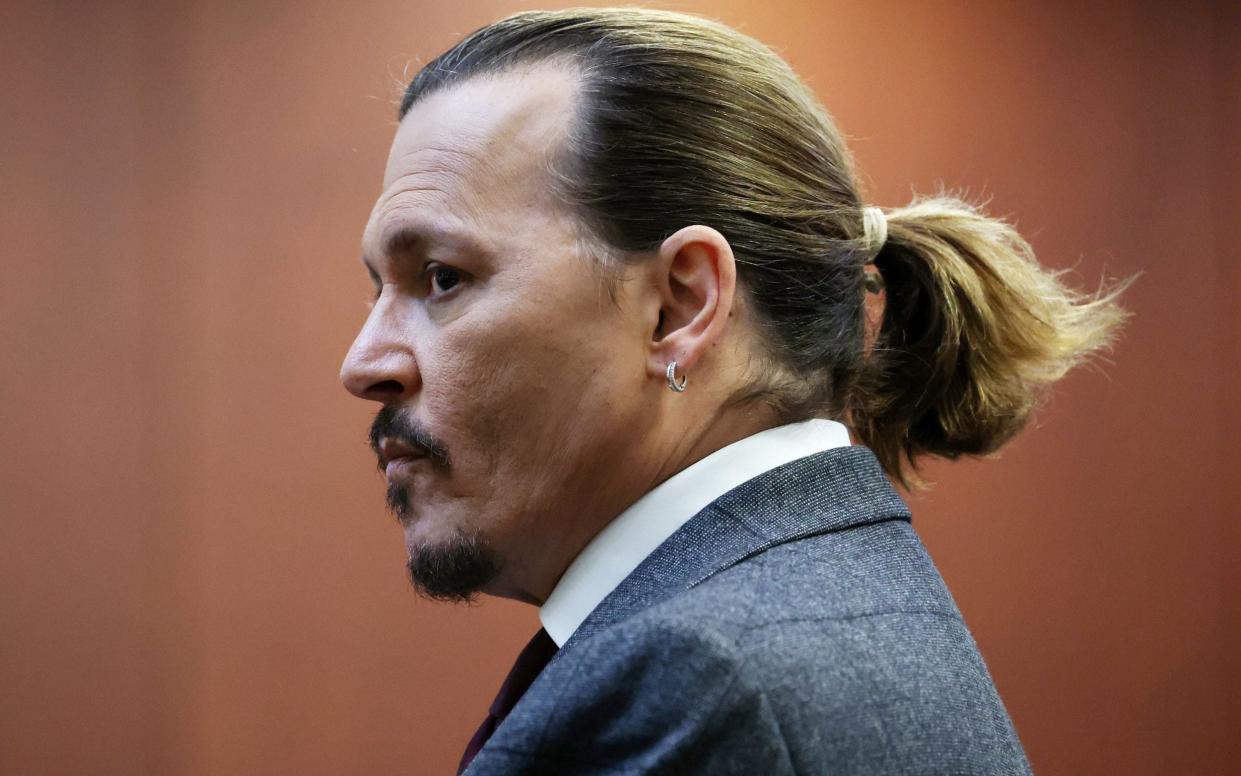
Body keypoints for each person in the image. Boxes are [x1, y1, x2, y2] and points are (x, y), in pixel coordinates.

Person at [340, 8, 1127, 775]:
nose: (363, 362)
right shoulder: (822, 597)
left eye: (442, 277)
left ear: (680, 306)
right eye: (379, 290)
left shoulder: (695, 683)